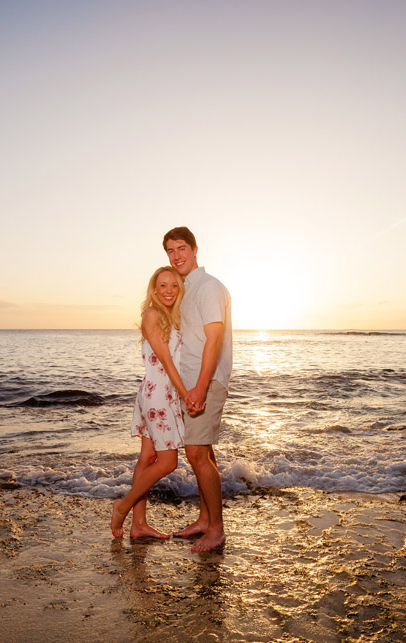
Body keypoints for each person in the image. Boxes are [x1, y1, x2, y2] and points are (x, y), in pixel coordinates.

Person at [162, 226, 232, 552]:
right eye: (170, 251)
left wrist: (201, 387)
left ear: (194, 249)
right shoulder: (187, 290)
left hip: (207, 382)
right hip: (191, 384)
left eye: (181, 249)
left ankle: (216, 530)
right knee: (203, 452)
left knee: (195, 453)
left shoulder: (209, 288)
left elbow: (214, 339)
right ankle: (205, 519)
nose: (176, 257)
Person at [111, 266, 188, 539]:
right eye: (163, 286)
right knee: (168, 462)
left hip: (156, 393)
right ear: (154, 290)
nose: (168, 291)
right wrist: (186, 394)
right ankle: (123, 507)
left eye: (174, 286)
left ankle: (139, 524)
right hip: (159, 395)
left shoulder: (173, 317)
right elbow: (166, 362)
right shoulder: (152, 315)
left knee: (147, 457)